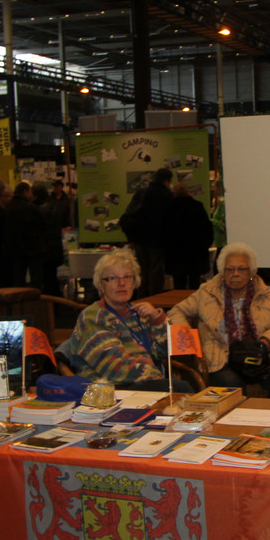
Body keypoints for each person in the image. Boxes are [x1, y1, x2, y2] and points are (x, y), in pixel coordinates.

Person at [167, 243, 270, 398]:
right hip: (220, 360)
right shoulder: (207, 293)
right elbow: (176, 311)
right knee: (231, 383)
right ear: (222, 272)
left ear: (251, 272)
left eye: (241, 269)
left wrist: (266, 342)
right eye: (230, 269)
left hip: (255, 359)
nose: (235, 274)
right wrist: (189, 337)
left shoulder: (265, 295)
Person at [56, 248, 169, 390]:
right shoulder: (93, 316)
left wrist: (157, 320)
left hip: (143, 384)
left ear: (135, 282)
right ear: (101, 285)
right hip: (108, 389)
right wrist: (156, 375)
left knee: (182, 390)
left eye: (127, 277)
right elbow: (113, 367)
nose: (122, 283)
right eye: (113, 278)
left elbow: (168, 352)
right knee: (181, 389)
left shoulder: (139, 313)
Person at [122, 167, 173, 298]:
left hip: (139, 239)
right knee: (156, 271)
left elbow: (129, 214)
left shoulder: (142, 192)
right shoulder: (168, 195)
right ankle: (155, 299)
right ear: (167, 181)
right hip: (158, 240)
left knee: (142, 271)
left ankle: (142, 297)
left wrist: (131, 237)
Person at [165, 182, 214, 290]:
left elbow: (164, 230)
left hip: (176, 251)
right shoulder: (197, 206)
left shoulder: (169, 208)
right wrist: (207, 243)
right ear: (188, 192)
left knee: (178, 281)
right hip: (195, 250)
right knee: (195, 279)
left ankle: (178, 298)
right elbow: (206, 227)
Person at [3, 180, 48, 289]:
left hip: (15, 249)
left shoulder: (7, 208)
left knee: (18, 279)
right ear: (25, 191)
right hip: (34, 247)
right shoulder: (30, 207)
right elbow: (43, 225)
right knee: (36, 279)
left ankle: (19, 298)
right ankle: (35, 298)